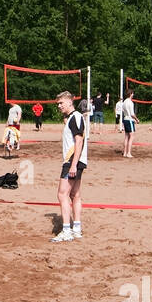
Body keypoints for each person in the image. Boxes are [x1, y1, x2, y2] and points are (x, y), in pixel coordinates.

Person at [51, 90, 88, 242]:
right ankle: (76, 229)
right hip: (76, 161)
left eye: (61, 103)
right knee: (75, 195)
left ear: (69, 102)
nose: (59, 106)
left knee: (62, 194)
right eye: (58, 103)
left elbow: (79, 141)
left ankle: (67, 230)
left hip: (72, 161)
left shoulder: (76, 117)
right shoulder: (72, 118)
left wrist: (73, 165)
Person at [121, 91, 136, 158]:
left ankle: (124, 152)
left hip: (125, 119)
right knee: (132, 136)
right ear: (130, 94)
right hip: (129, 119)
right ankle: (128, 153)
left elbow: (123, 111)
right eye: (132, 93)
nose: (133, 95)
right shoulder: (130, 102)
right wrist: (137, 119)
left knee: (126, 136)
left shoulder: (124, 102)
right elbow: (132, 114)